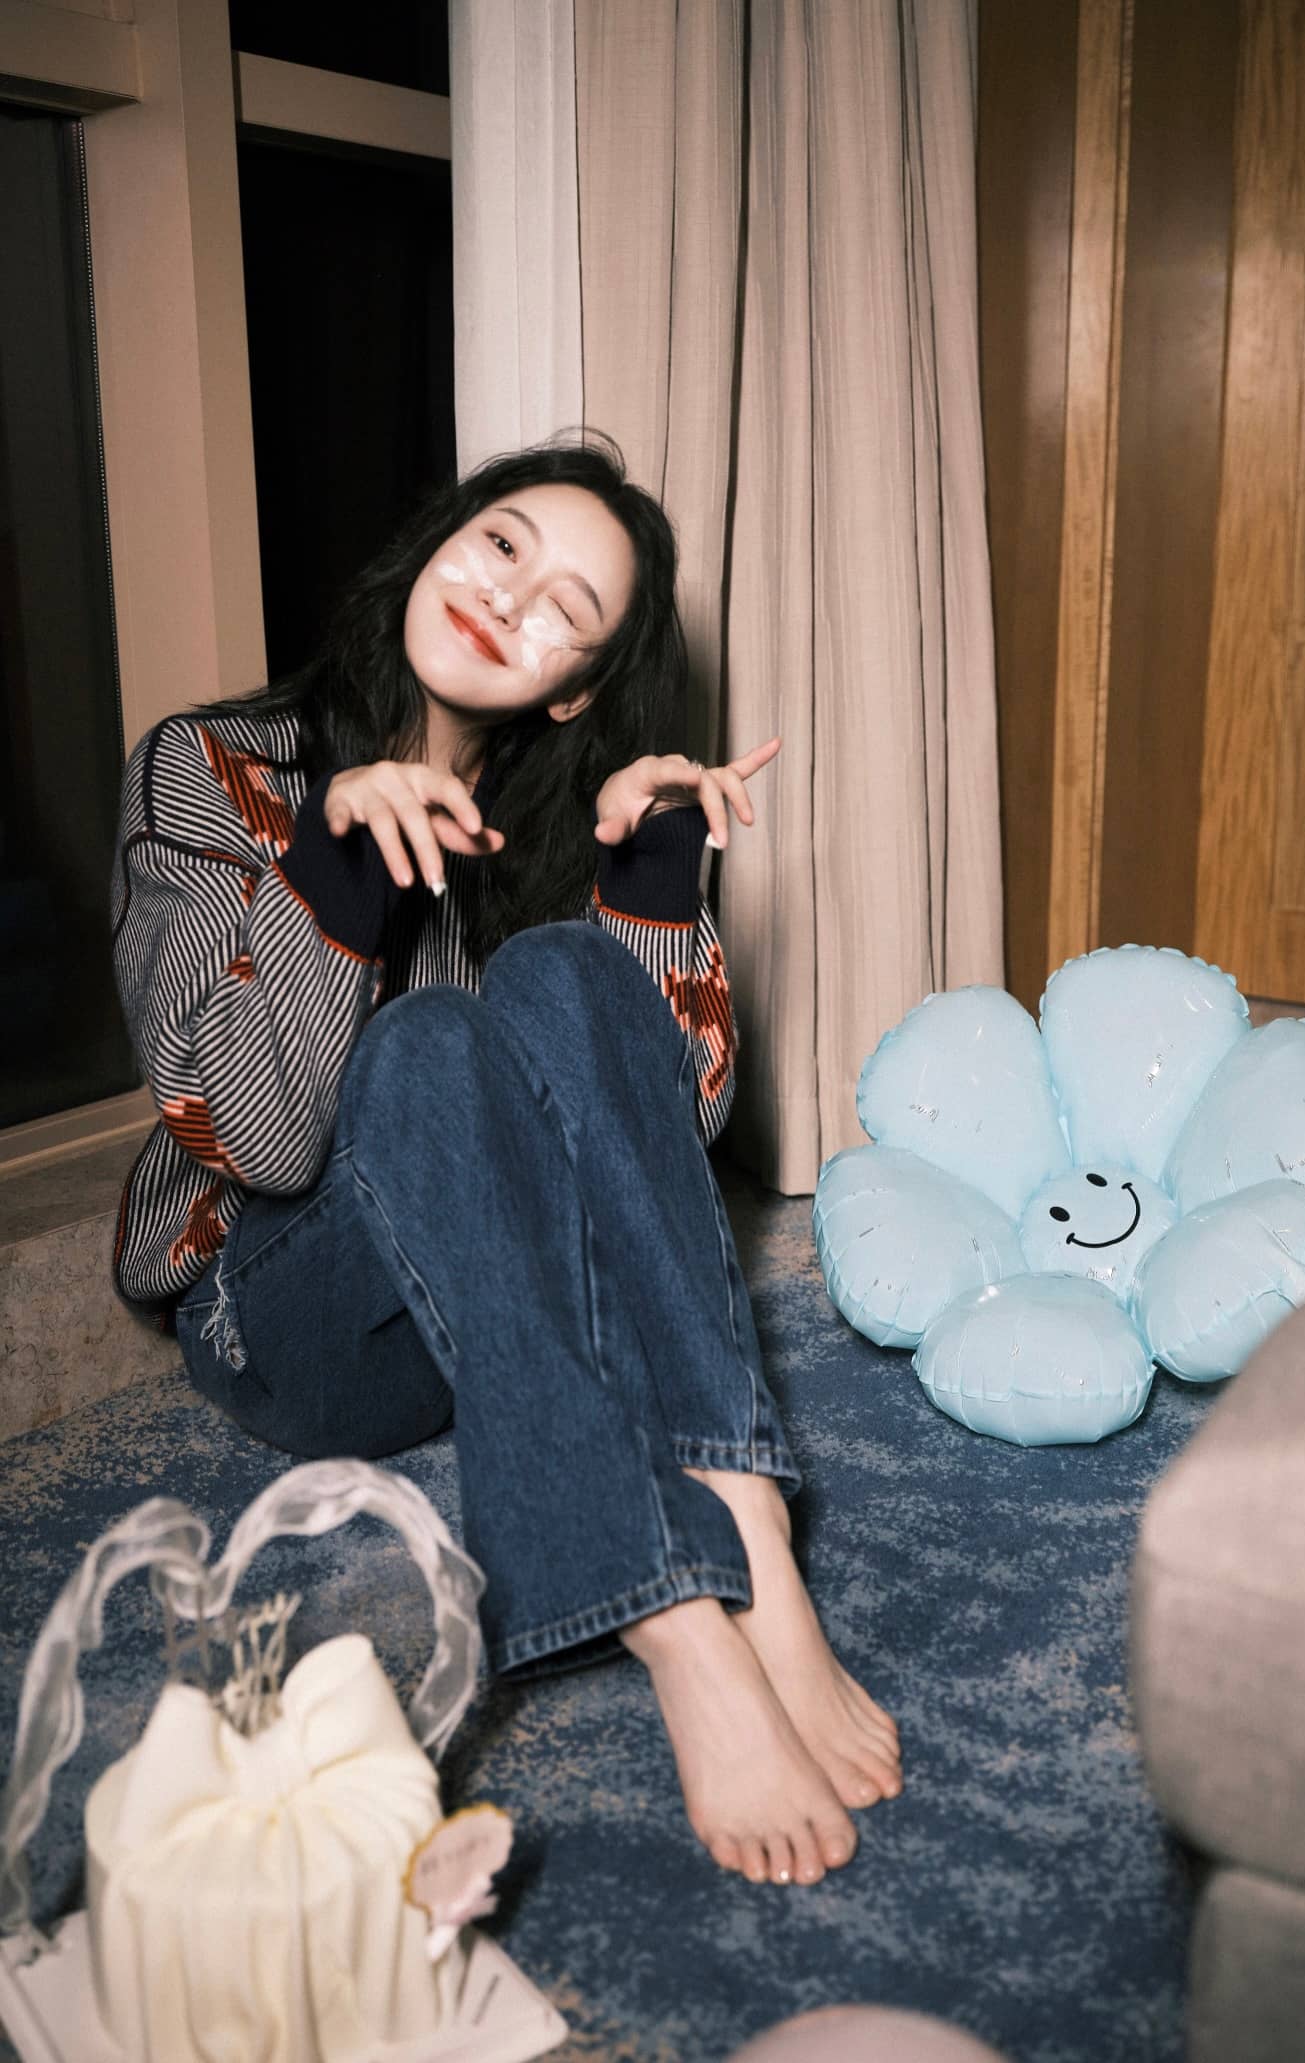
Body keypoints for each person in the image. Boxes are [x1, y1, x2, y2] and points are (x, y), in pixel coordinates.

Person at [110, 437, 901, 1888]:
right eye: (502, 545)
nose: (509, 597)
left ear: (575, 688)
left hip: (500, 1309)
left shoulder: (553, 814)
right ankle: (668, 1616)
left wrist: (649, 873)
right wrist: (339, 867)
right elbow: (258, 1138)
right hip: (291, 1316)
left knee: (559, 972)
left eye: (566, 609)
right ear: (444, 540)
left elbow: (663, 1154)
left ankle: (744, 1521)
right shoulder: (218, 767)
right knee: (424, 1044)